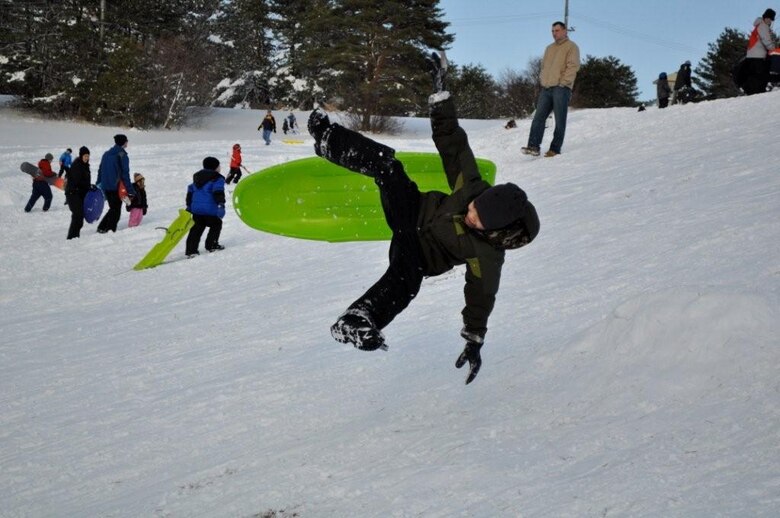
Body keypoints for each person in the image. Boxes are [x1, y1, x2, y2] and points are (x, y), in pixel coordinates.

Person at [308, 51, 540, 385]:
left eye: (477, 218)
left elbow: (481, 299)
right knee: (389, 167)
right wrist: (440, 92)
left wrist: (474, 340)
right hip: (412, 210)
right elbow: (452, 141)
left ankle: (357, 320)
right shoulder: (472, 186)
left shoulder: (487, 257)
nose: (470, 211)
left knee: (406, 280)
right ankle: (329, 140)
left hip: (420, 254)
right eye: (475, 206)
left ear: (498, 234)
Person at [521, 21, 580, 158]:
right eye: (552, 31)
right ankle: (533, 146)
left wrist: (563, 83)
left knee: (559, 120)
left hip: (561, 88)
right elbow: (543, 67)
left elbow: (573, 66)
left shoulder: (572, 47)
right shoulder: (549, 48)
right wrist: (543, 80)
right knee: (538, 118)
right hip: (546, 88)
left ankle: (555, 149)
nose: (554, 33)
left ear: (565, 31)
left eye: (557, 30)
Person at [185, 156, 226, 257]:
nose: (220, 167)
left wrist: (189, 206)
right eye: (218, 166)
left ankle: (191, 250)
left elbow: (190, 192)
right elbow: (218, 191)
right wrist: (221, 204)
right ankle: (211, 245)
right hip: (210, 210)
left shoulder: (197, 177)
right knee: (216, 224)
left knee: (196, 229)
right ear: (215, 167)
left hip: (196, 210)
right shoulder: (217, 178)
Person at [96, 134, 136, 233]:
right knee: (116, 211)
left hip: (106, 186)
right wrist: (131, 190)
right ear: (123, 142)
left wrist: (98, 184)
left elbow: (100, 170)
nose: (127, 142)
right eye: (126, 141)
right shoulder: (122, 155)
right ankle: (110, 230)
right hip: (116, 187)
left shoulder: (106, 154)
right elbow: (125, 174)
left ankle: (102, 227)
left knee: (113, 208)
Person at [743, 8, 777, 95]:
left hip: (753, 55)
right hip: (758, 56)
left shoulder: (760, 25)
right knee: (762, 76)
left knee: (757, 76)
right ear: (765, 18)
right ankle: (758, 93)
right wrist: (774, 50)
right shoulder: (763, 26)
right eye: (769, 19)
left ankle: (755, 92)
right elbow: (767, 41)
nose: (770, 21)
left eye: (771, 20)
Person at [65, 147, 91, 239]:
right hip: (73, 193)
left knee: (79, 217)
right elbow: (77, 182)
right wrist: (88, 186)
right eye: (85, 156)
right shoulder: (77, 166)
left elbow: (84, 181)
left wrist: (89, 186)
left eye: (88, 156)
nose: (87, 158)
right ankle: (72, 238)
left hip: (79, 194)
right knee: (78, 216)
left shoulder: (85, 165)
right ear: (81, 156)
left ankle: (75, 237)